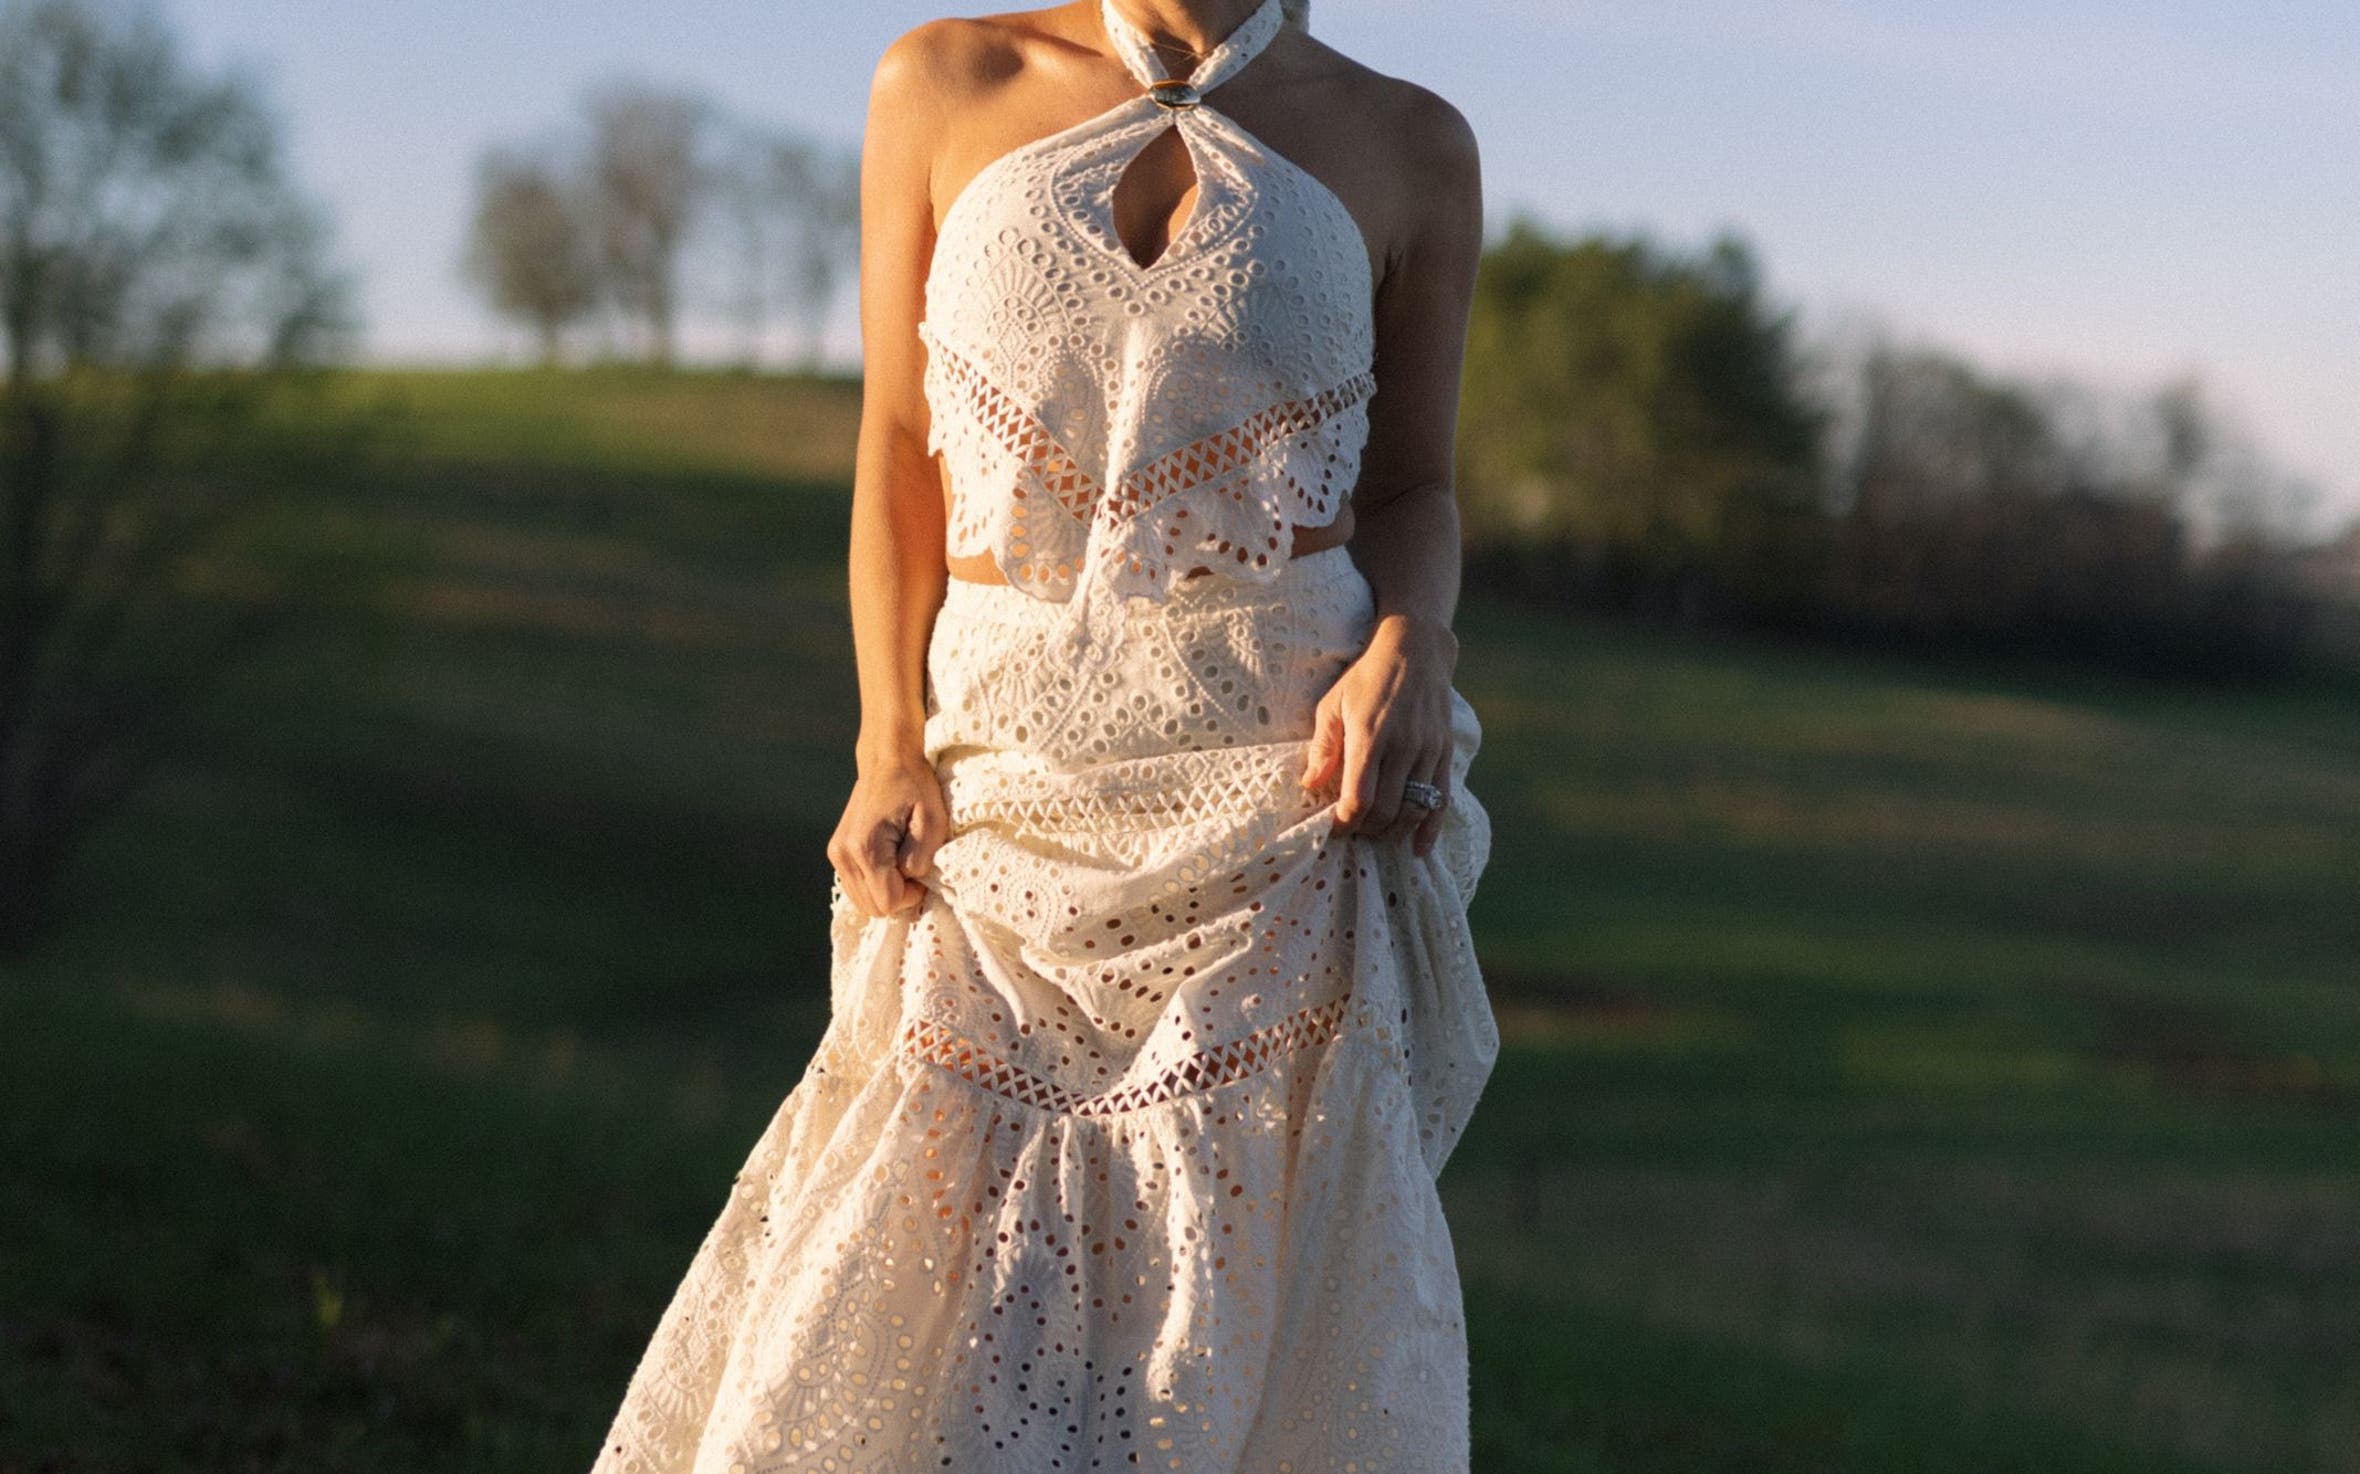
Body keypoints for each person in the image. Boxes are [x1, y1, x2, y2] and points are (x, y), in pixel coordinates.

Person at [589, 1, 1497, 1468]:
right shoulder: (946, 81)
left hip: (1279, 794)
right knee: (911, 1269)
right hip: (1000, 778)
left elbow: (1414, 490)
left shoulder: (1411, 143)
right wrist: (891, 739)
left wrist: (1414, 638)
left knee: (1219, 1304)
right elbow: (894, 438)